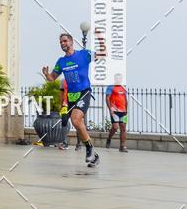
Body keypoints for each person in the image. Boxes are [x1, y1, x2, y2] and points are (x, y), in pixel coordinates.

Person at [42, 30, 106, 167]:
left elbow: (102, 54)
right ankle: (92, 152)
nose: (62, 44)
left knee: (76, 120)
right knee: (77, 124)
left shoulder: (84, 54)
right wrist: (47, 74)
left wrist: (100, 39)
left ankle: (88, 149)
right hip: (71, 95)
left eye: (65, 41)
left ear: (71, 42)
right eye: (61, 42)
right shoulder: (61, 61)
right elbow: (52, 78)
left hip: (84, 92)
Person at [105, 75, 128, 152]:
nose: (119, 80)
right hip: (114, 111)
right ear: (115, 79)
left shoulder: (123, 88)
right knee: (115, 127)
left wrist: (126, 110)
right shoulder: (110, 87)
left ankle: (122, 146)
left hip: (123, 111)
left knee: (123, 129)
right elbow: (107, 98)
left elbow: (125, 100)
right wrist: (110, 109)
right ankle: (109, 138)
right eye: (117, 78)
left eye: (120, 78)